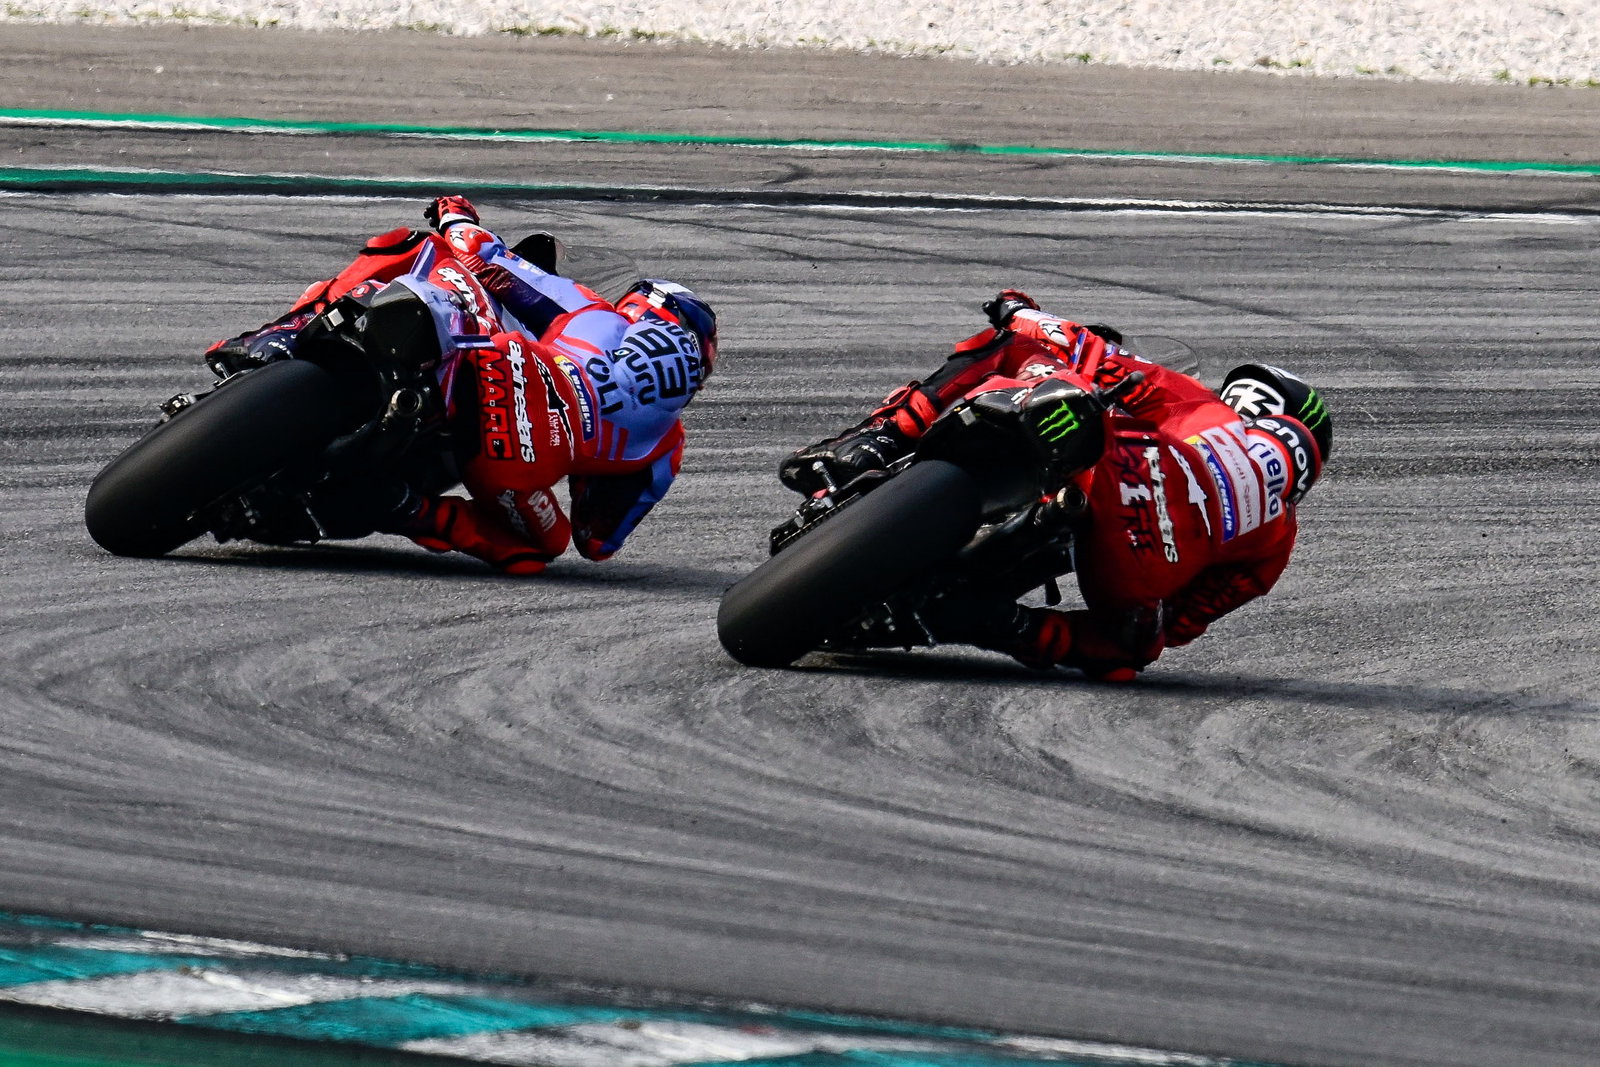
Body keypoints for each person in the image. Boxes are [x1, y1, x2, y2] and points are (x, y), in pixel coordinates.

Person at [779, 290, 1331, 681]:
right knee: (1130, 648)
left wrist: (1020, 311)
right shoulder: (1277, 540)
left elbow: (1086, 349)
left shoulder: (1198, 404)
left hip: (1113, 462)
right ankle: (1002, 621)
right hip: (1134, 565)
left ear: (1250, 409)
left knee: (1011, 350)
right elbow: (1179, 626)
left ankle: (875, 441)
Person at [205, 195, 717, 574]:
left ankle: (283, 333)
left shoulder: (595, 315)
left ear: (641, 311)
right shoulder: (667, 444)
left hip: (504, 367)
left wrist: (456, 215)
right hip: (517, 460)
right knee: (544, 549)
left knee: (410, 245)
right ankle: (410, 507)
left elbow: (485, 256)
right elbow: (595, 538)